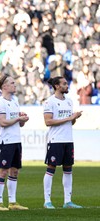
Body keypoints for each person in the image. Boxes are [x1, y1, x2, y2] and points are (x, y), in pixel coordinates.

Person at [43, 76, 83, 209]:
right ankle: (47, 200)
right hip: (55, 140)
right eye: (64, 84)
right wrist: (69, 117)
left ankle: (68, 201)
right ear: (57, 86)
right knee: (51, 169)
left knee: (68, 170)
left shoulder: (69, 101)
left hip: (68, 139)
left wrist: (74, 118)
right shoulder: (50, 102)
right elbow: (48, 121)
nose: (67, 86)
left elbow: (70, 122)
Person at [0, 74, 29, 211]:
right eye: (12, 83)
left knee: (14, 171)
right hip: (5, 141)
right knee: (3, 171)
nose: (15, 85)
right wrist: (17, 119)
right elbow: (3, 122)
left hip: (16, 140)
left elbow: (18, 125)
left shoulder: (14, 102)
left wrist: (22, 119)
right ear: (4, 86)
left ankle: (13, 202)